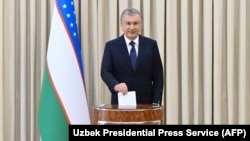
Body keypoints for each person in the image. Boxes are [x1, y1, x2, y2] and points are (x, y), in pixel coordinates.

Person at [100, 7, 163, 105]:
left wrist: (156, 103)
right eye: (128, 23)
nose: (132, 27)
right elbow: (105, 71)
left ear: (141, 25)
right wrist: (115, 85)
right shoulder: (111, 46)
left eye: (135, 23)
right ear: (122, 25)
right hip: (121, 101)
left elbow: (158, 76)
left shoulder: (151, 45)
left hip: (147, 103)